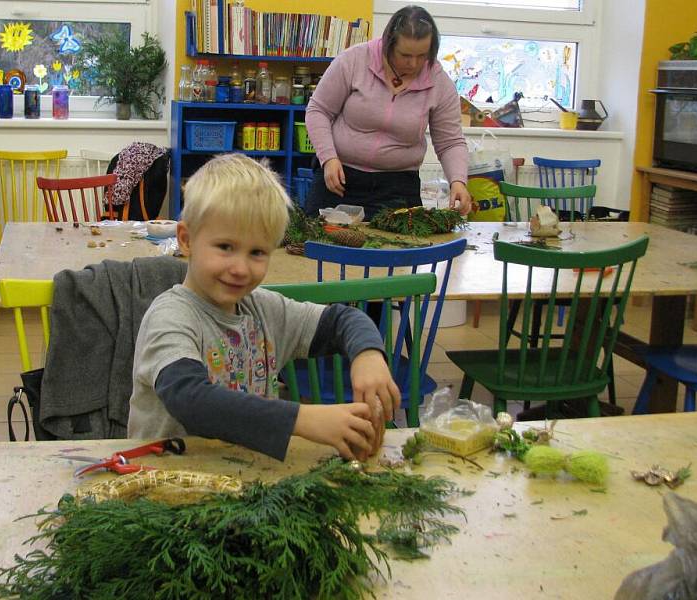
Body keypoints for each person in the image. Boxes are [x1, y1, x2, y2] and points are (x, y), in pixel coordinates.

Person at [128, 154, 400, 461]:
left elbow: (341, 320)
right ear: (187, 240)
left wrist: (368, 355)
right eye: (226, 247)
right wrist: (303, 420)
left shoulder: (265, 310)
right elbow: (191, 399)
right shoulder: (171, 317)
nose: (241, 268)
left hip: (243, 478)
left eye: (257, 252)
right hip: (161, 482)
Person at [304, 4, 471, 220]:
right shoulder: (354, 60)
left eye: (423, 56)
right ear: (388, 44)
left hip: (397, 187)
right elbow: (318, 110)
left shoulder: (440, 82)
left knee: (399, 250)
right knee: (318, 244)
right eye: (405, 55)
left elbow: (450, 142)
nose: (414, 63)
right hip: (339, 178)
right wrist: (328, 158)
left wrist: (458, 181)